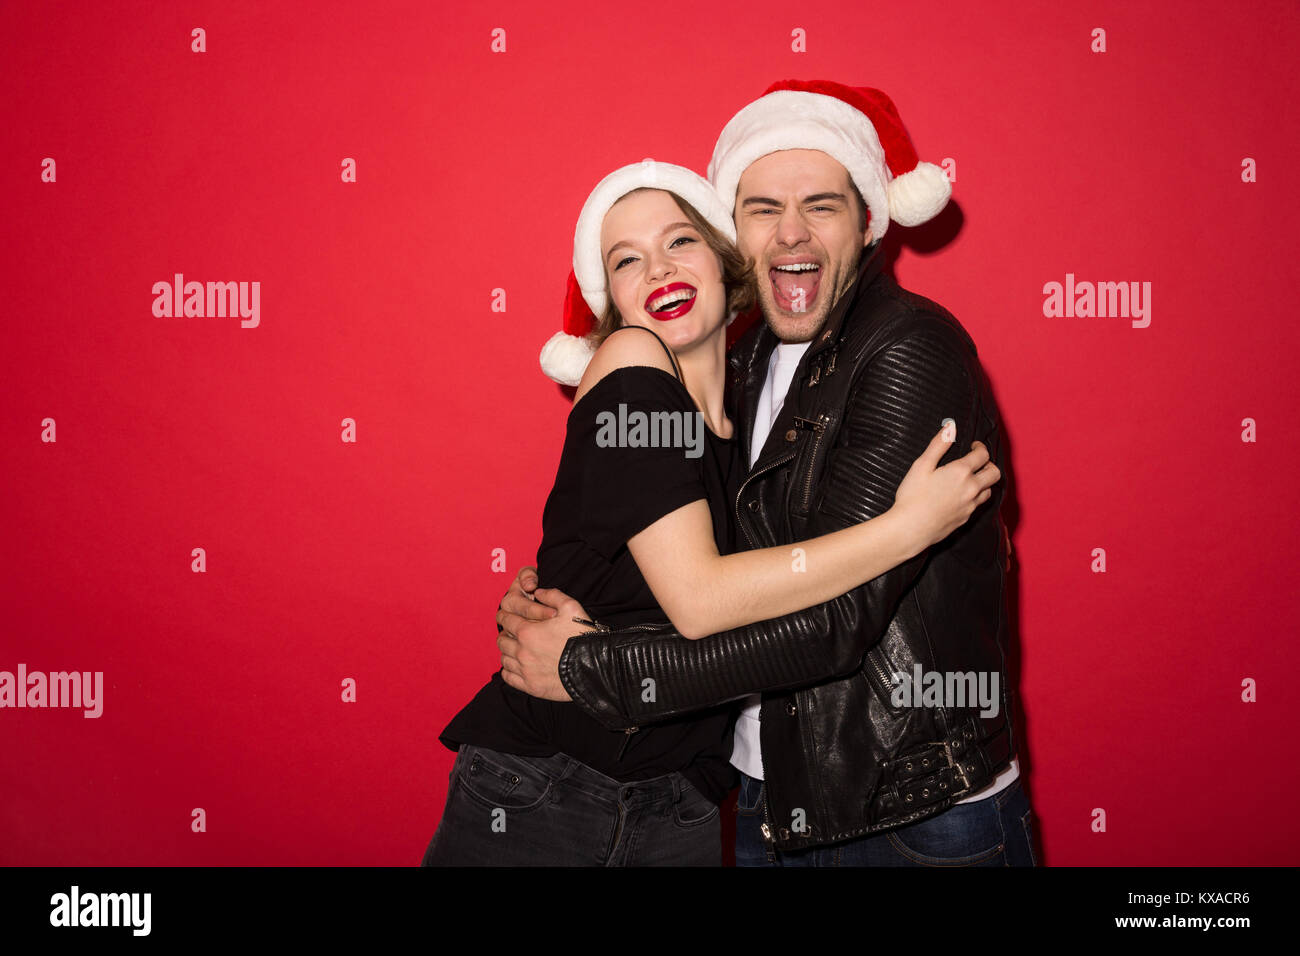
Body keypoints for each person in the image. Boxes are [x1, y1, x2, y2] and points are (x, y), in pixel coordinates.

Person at [497, 80, 1036, 866]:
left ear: (868, 221)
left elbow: (830, 625)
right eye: (761, 210)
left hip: (910, 812)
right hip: (765, 795)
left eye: (820, 204)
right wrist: (552, 598)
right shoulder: (733, 364)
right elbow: (695, 570)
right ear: (733, 236)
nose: (791, 234)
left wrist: (591, 668)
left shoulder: (908, 350)